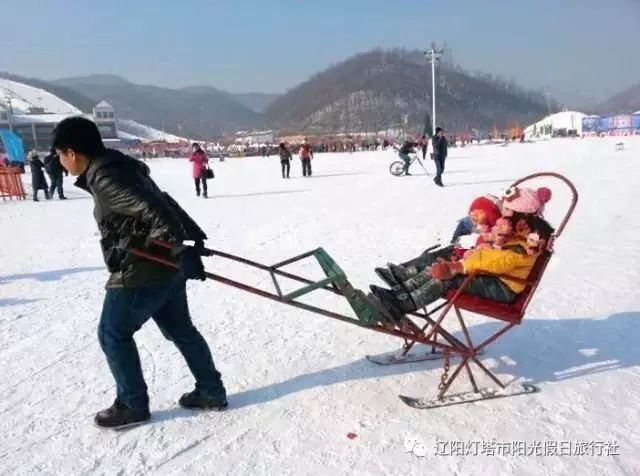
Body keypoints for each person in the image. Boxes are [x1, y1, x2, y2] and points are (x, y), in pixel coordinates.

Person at [52, 117, 227, 429]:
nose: (60, 162)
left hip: (141, 270)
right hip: (165, 268)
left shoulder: (106, 179)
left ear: (72, 152)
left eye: (59, 154)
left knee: (112, 333)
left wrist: (180, 246)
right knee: (181, 330)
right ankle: (210, 391)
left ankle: (132, 404)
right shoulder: (120, 167)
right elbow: (164, 202)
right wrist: (186, 239)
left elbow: (156, 210)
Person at [369, 214, 555, 321]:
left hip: (502, 289)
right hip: (493, 279)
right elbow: (490, 255)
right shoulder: (515, 242)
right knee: (440, 266)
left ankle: (404, 304)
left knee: (449, 278)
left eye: (523, 228)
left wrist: (460, 265)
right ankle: (399, 295)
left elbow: (492, 262)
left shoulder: (522, 252)